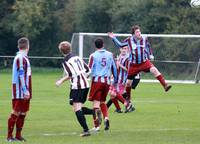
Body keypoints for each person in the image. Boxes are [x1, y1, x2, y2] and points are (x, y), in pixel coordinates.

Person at [108, 25, 171, 101]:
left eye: (139, 31)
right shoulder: (129, 40)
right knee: (128, 83)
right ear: (133, 34)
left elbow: (148, 46)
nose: (139, 33)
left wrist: (150, 54)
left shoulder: (144, 38)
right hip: (133, 65)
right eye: (137, 32)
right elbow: (120, 45)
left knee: (154, 70)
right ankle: (128, 98)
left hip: (144, 62)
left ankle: (165, 85)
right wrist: (113, 38)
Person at [56, 41, 95, 137]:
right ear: (70, 48)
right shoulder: (77, 57)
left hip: (77, 86)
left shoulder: (65, 60)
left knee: (77, 108)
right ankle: (95, 112)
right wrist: (82, 77)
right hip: (85, 84)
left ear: (61, 51)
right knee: (77, 107)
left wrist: (61, 81)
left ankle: (86, 130)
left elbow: (70, 74)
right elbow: (88, 70)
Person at [88, 37, 118, 131]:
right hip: (107, 82)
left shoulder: (93, 55)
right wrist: (115, 80)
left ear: (95, 46)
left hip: (97, 81)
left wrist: (84, 77)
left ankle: (96, 126)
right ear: (103, 44)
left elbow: (89, 69)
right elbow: (114, 68)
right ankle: (106, 118)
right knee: (102, 102)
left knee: (95, 104)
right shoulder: (110, 54)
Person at [7, 37, 32, 142]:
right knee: (16, 112)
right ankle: (9, 136)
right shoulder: (20, 58)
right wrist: (25, 90)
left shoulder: (24, 57)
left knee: (23, 113)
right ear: (28, 46)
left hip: (25, 90)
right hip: (20, 91)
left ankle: (18, 135)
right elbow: (21, 74)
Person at [106, 46, 134, 113]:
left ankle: (128, 105)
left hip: (121, 79)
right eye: (122, 49)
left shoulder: (128, 58)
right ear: (120, 49)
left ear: (127, 50)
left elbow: (128, 70)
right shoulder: (119, 57)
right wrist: (113, 74)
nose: (124, 50)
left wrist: (120, 65)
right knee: (111, 93)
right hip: (116, 78)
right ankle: (119, 109)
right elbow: (117, 68)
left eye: (125, 49)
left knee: (114, 93)